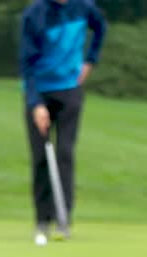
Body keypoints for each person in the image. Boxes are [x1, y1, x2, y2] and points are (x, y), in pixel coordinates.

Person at [19, 0, 106, 244]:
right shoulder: (34, 15)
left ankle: (63, 219)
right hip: (40, 92)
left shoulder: (84, 7)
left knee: (65, 154)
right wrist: (36, 104)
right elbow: (26, 64)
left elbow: (100, 27)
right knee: (40, 159)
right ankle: (42, 220)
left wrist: (90, 61)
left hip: (70, 90)